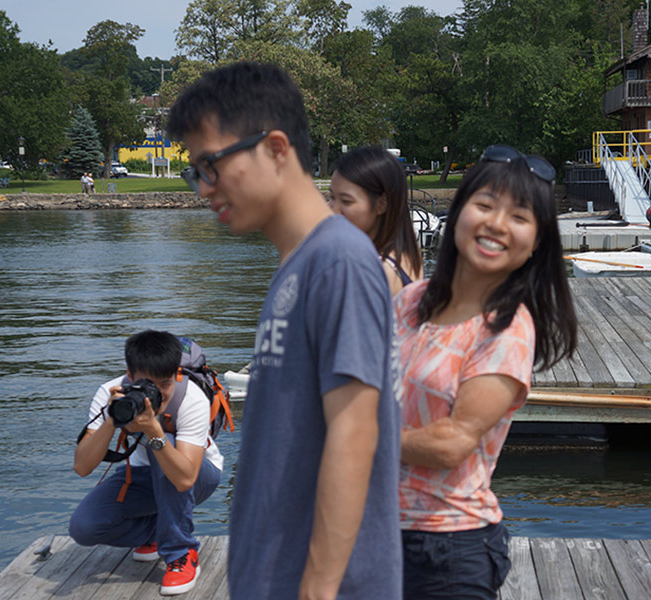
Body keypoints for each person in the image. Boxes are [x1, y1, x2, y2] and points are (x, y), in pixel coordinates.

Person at [167, 62, 402, 600]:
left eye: (211, 166)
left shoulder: (339, 260)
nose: (203, 189)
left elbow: (355, 432)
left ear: (275, 147)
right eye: (194, 172)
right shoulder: (295, 267)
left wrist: (318, 588)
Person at [395, 144, 578, 599]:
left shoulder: (508, 331)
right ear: (457, 213)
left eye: (519, 216)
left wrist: (351, 439)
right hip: (369, 527)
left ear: (537, 242)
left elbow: (453, 442)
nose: (496, 224)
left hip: (445, 547)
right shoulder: (410, 301)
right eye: (484, 205)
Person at [68, 330, 223, 596]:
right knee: (84, 528)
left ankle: (180, 552)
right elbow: (83, 467)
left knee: (166, 443)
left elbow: (185, 478)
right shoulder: (110, 393)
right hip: (143, 477)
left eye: (165, 384)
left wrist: (154, 430)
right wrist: (112, 419)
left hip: (197, 475)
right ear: (130, 375)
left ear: (176, 373)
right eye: (147, 384)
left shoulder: (190, 398)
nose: (157, 395)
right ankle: (154, 534)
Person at [329, 146, 424, 295]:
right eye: (332, 198)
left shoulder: (372, 272)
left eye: (346, 201)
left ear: (381, 204)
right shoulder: (407, 257)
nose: (333, 210)